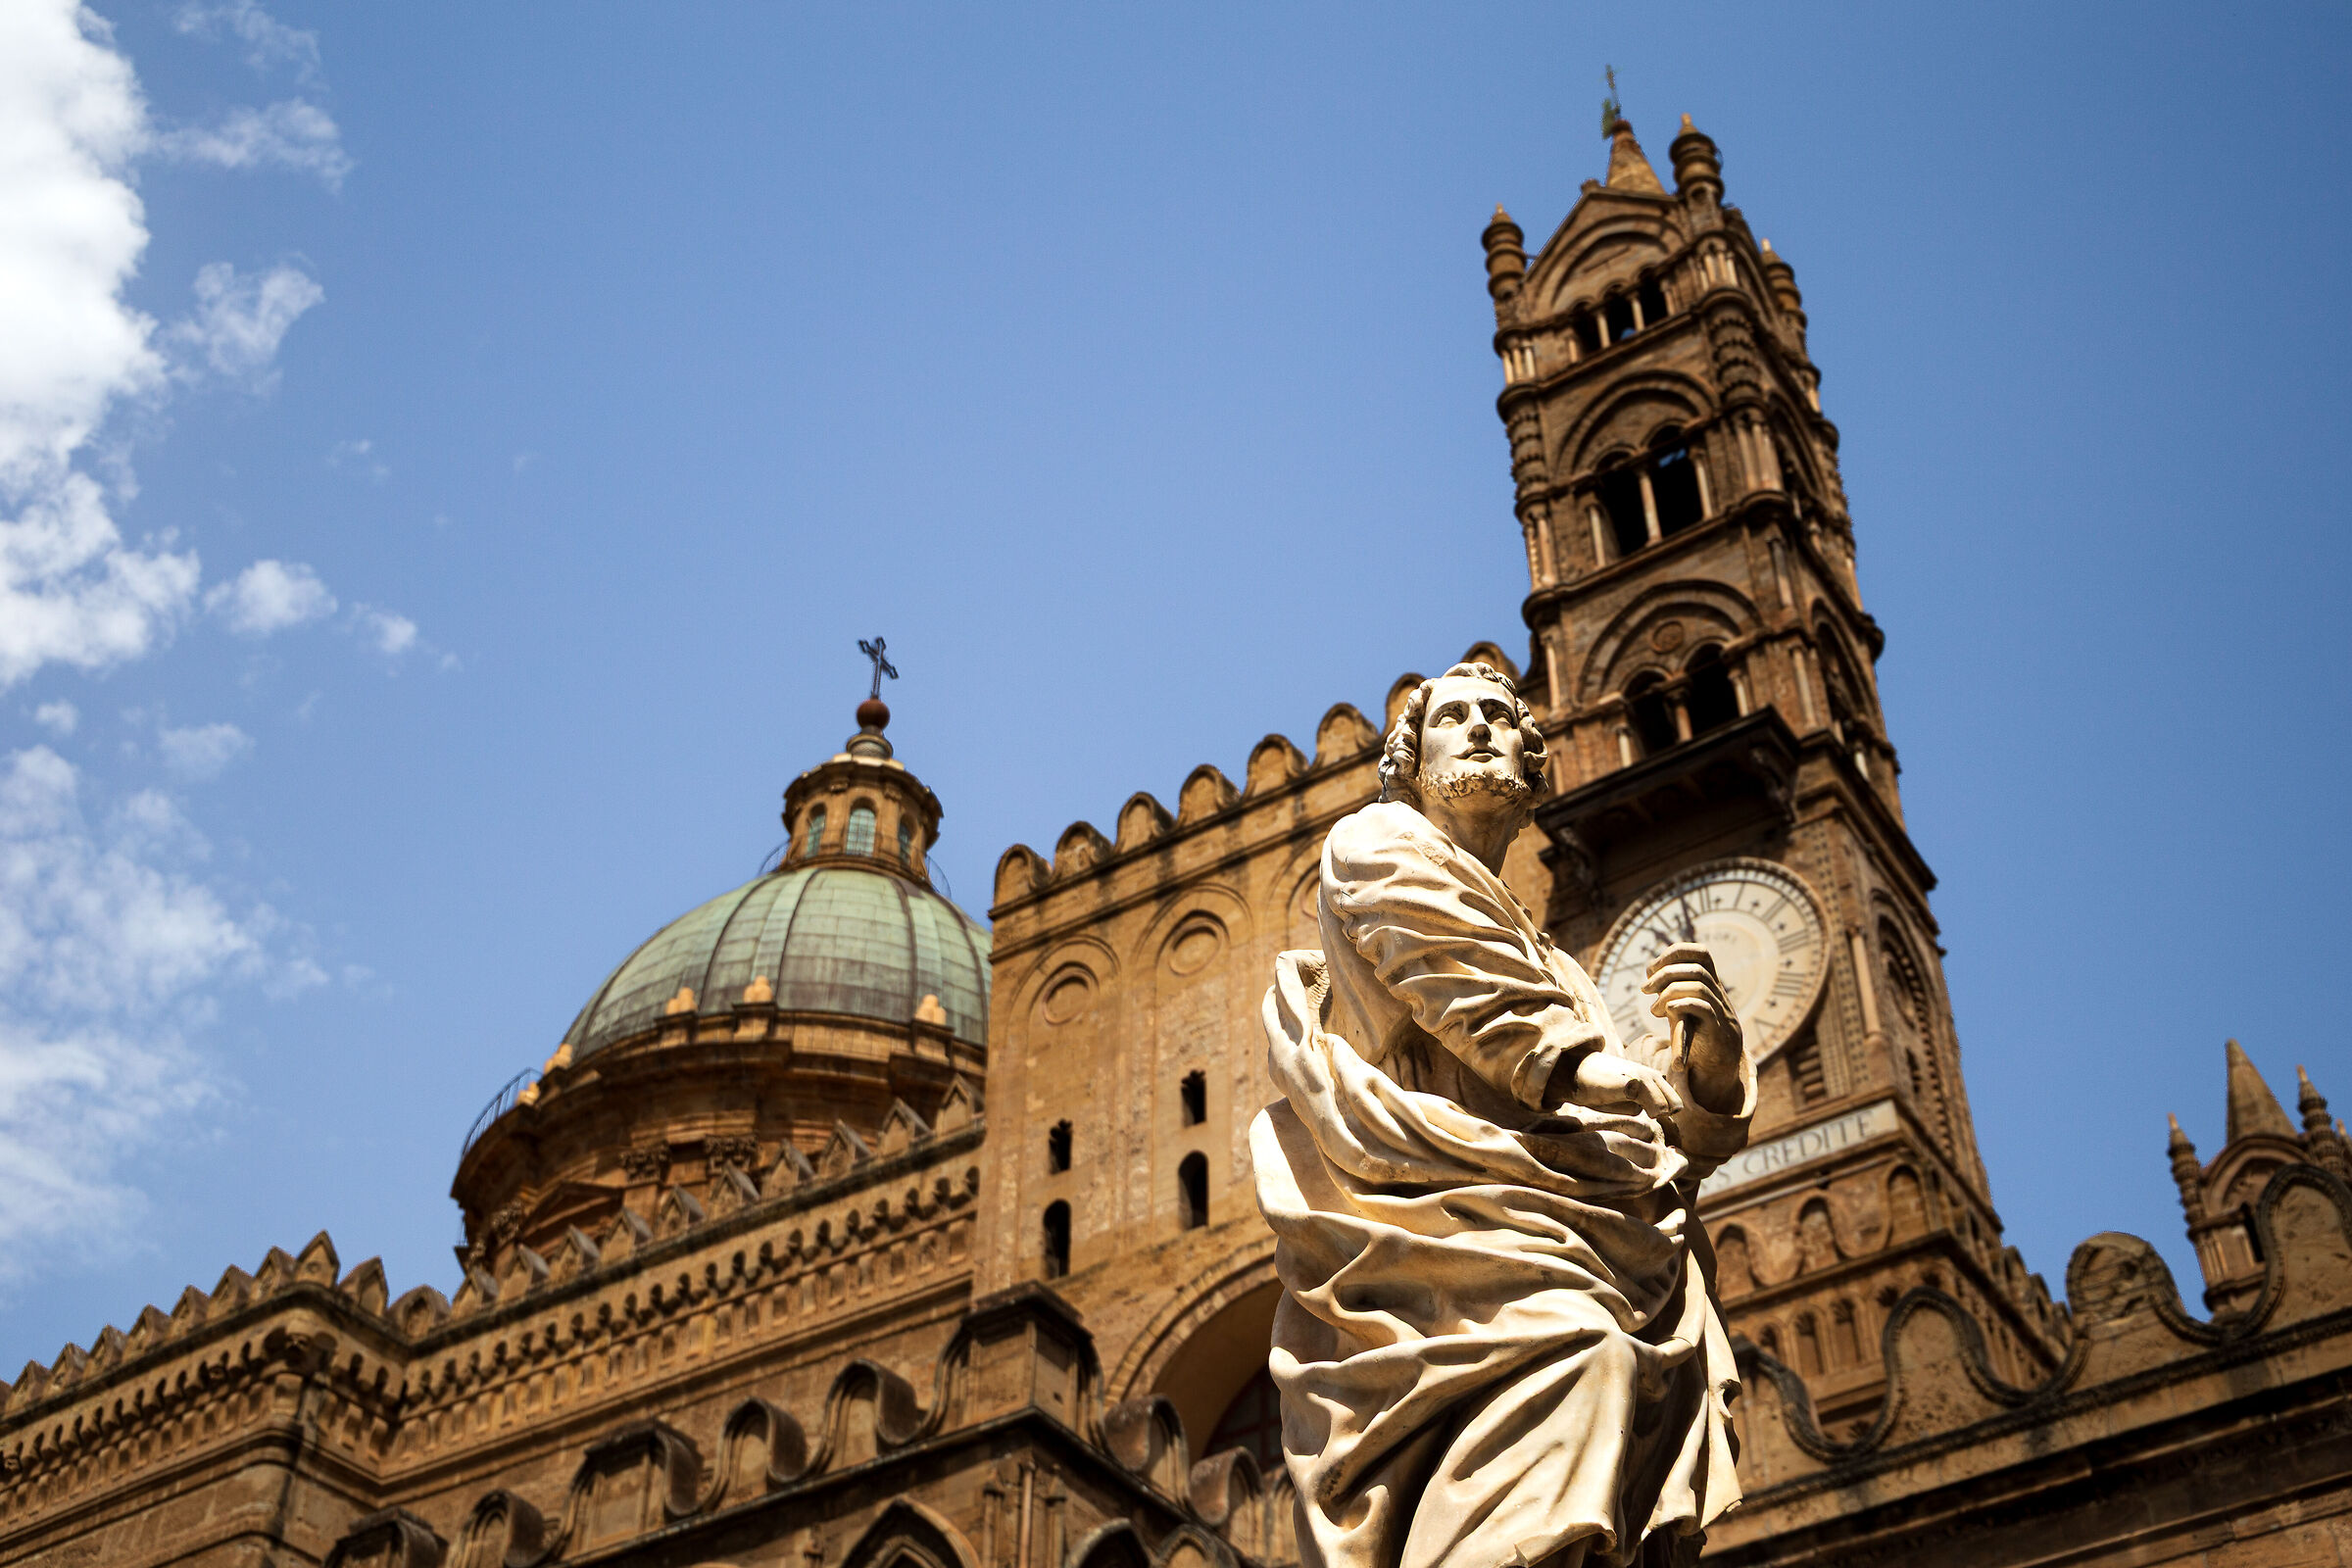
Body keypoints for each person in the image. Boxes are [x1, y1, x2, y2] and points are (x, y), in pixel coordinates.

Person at [1250, 662, 1755, 1568]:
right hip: (1450, 1230)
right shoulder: (1375, 846)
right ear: (1410, 760)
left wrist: (1708, 1074)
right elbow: (1458, 979)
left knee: (1622, 1401)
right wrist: (1585, 1067)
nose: (1479, 728)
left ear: (1532, 762)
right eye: (1453, 718)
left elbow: (1644, 1146)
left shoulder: (1558, 966)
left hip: (1571, 1231)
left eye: (1498, 716)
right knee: (1580, 1358)